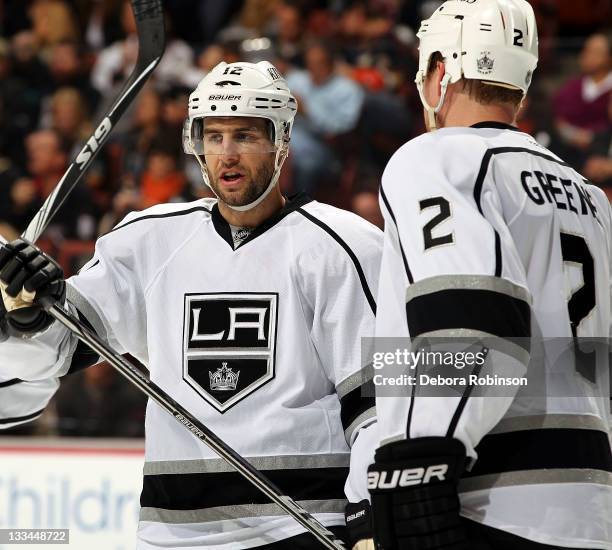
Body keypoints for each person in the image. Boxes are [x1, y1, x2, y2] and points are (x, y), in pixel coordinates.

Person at [0, 61, 381, 549]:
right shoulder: (150, 241)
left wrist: (373, 515)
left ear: (280, 140)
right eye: (213, 136)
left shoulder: (346, 246)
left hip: (299, 527)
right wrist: (27, 315)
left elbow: (377, 403)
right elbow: (58, 351)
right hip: (173, 533)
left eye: (244, 135)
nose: (226, 154)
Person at [368, 1, 612, 550]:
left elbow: (475, 321)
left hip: (492, 500)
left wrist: (418, 464)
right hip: (592, 505)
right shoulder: (590, 198)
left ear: (439, 73)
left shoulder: (437, 159)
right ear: (520, 85)